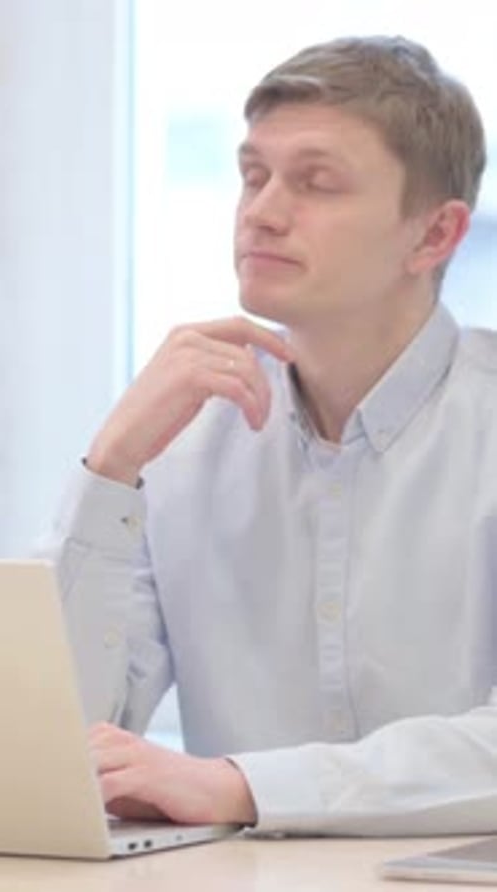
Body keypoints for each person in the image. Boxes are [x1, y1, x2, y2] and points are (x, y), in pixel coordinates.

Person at [47, 34, 497, 836]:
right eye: (252, 175)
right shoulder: (183, 441)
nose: (262, 211)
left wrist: (244, 787)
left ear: (434, 236)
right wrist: (112, 465)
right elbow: (51, 740)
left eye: (315, 183)